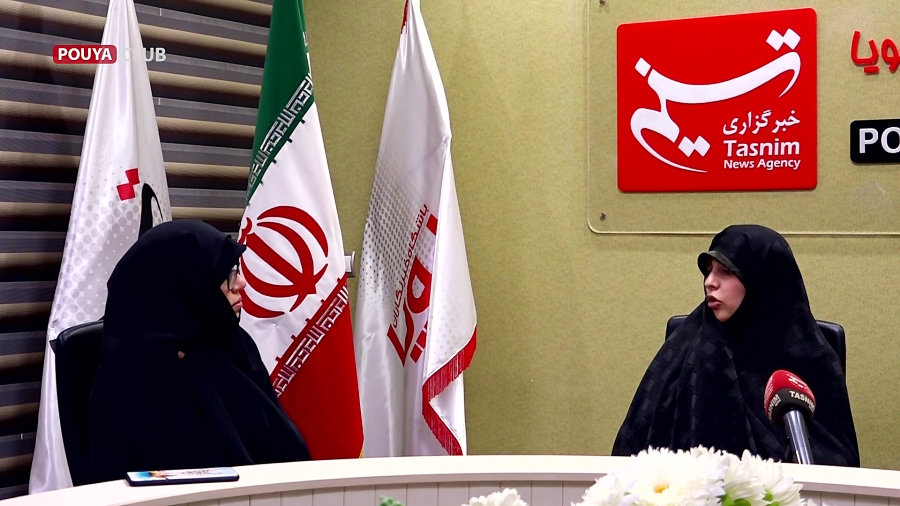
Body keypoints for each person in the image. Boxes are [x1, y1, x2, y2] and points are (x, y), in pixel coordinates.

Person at [611, 224, 860, 466]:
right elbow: (635, 447)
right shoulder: (688, 347)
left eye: (726, 271)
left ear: (763, 278)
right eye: (708, 271)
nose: (710, 282)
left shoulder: (810, 357)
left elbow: (837, 462)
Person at [86, 220, 311, 484]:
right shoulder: (135, 382)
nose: (241, 284)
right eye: (227, 275)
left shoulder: (232, 344)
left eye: (236, 270)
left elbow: (288, 450)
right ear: (184, 286)